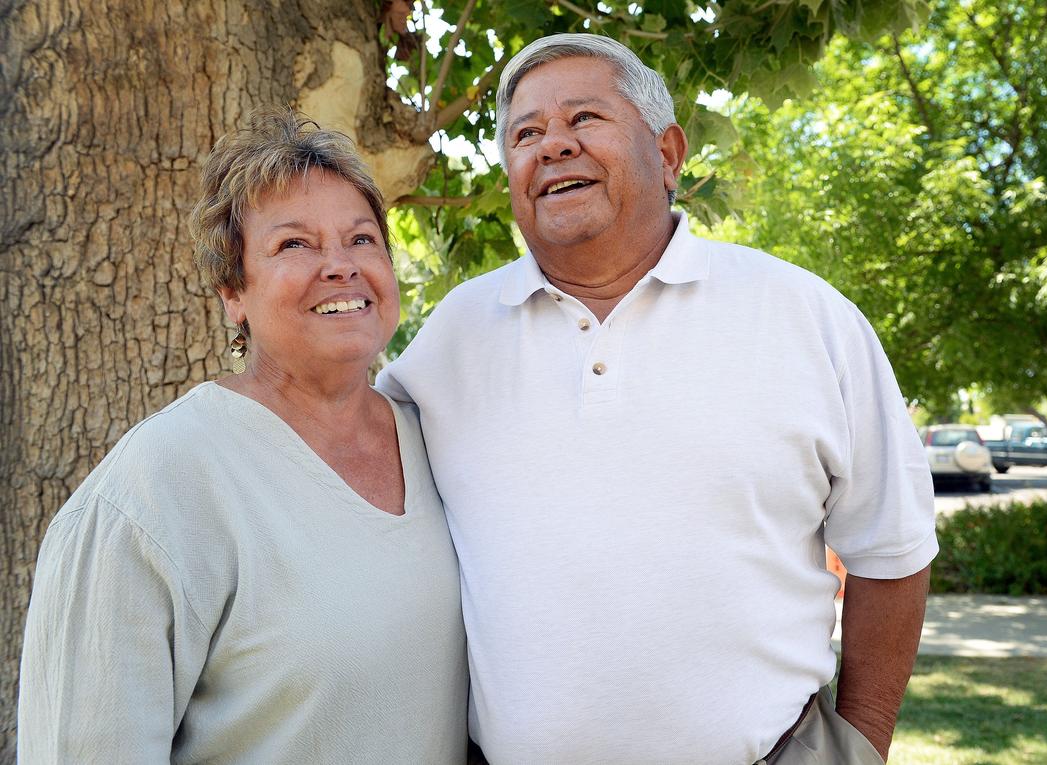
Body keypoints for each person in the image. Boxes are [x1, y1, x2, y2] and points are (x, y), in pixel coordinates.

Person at [378, 34, 936, 764]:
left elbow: (891, 549)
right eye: (526, 133)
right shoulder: (451, 336)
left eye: (584, 119)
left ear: (668, 154)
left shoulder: (804, 315)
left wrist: (859, 745)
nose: (554, 146)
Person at [18, 110, 467, 763]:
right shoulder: (154, 491)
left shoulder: (439, 440)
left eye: (362, 239)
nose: (340, 266)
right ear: (234, 292)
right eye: (294, 245)